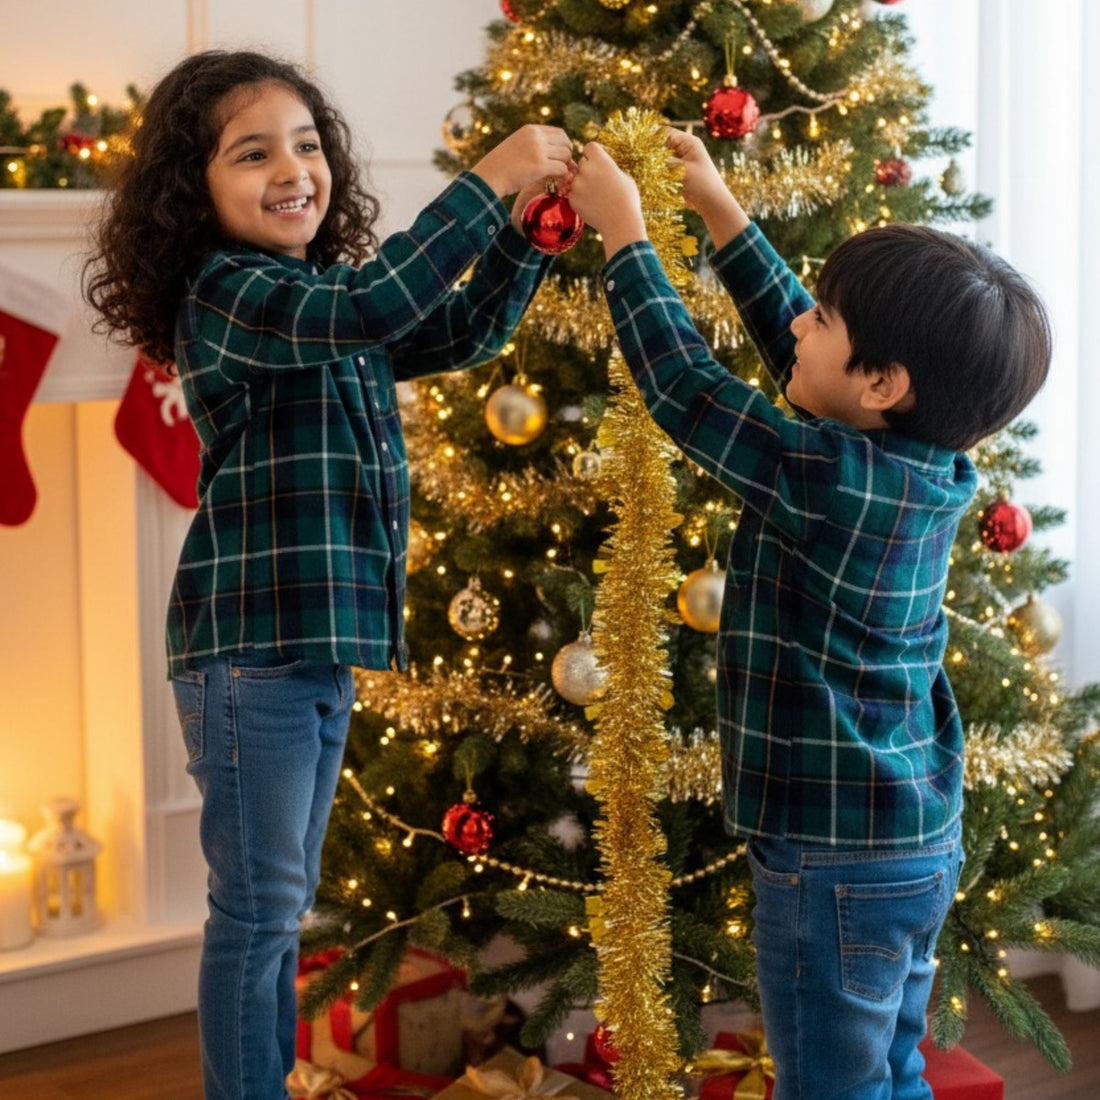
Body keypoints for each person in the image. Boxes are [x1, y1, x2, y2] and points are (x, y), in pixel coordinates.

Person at [83, 49, 575, 1100]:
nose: (292, 168)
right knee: (258, 910)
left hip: (310, 651)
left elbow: (452, 324)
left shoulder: (317, 297)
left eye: (305, 145)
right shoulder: (233, 292)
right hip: (249, 656)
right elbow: (386, 299)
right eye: (252, 152)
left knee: (277, 903)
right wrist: (488, 177)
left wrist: (531, 230)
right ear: (194, 191)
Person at [568, 130, 1050, 1100]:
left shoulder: (823, 473)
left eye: (822, 315)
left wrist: (623, 233)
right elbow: (804, 342)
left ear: (881, 383)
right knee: (886, 1068)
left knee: (829, 1085)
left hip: (833, 858)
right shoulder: (915, 461)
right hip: (906, 841)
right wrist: (718, 208)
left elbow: (682, 386)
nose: (800, 323)